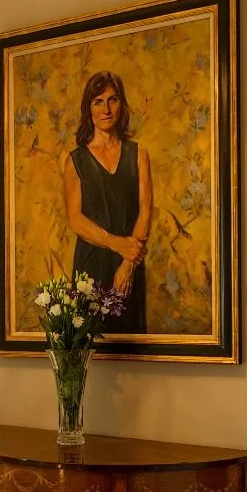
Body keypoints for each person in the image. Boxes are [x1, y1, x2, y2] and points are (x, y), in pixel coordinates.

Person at [62, 70, 152, 334]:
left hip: (130, 264)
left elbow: (145, 209)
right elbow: (75, 219)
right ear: (88, 107)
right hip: (91, 265)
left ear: (121, 104)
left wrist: (128, 263)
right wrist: (117, 243)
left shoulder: (139, 154)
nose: (106, 109)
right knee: (87, 345)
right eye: (98, 101)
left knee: (131, 346)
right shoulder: (74, 161)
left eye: (112, 100)